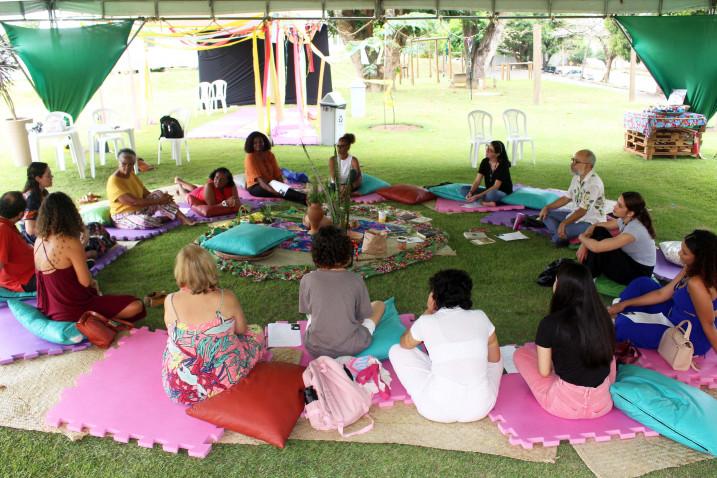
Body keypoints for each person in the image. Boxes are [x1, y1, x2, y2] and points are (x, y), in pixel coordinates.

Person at [389, 269, 503, 423]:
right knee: (495, 359)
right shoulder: (480, 316)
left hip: (436, 409)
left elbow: (405, 343)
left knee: (396, 350)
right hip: (480, 407)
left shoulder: (426, 321)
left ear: (434, 296)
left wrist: (429, 311)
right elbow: (494, 360)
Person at [162, 244, 266, 404]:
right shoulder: (226, 297)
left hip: (179, 389)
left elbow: (170, 330)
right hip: (223, 383)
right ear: (210, 268)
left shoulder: (170, 300)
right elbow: (241, 329)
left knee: (173, 344)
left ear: (180, 271)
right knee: (256, 332)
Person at [514, 261, 616, 419]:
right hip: (602, 404)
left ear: (562, 287)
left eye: (555, 280)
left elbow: (544, 371)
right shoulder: (603, 318)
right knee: (610, 356)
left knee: (521, 354)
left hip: (565, 405)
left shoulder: (550, 323)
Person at [33, 192, 145, 323]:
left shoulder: (39, 240)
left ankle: (99, 318)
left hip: (49, 309)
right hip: (72, 310)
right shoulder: (69, 242)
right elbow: (86, 282)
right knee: (136, 305)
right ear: (69, 214)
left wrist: (82, 244)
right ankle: (97, 319)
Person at [610, 230, 717, 356]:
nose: (679, 254)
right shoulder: (690, 268)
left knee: (622, 326)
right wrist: (625, 304)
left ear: (700, 259)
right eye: (681, 249)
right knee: (642, 283)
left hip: (686, 335)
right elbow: (663, 294)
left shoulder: (697, 284)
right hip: (673, 311)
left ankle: (623, 316)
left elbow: (708, 325)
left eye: (685, 253)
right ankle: (622, 310)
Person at [299, 226, 385, 358]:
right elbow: (362, 317)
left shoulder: (307, 279)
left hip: (315, 347)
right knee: (379, 304)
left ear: (315, 255)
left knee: (313, 317)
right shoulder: (356, 280)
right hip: (351, 347)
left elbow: (308, 311)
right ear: (347, 255)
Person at [577, 192, 656, 285]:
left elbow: (597, 247)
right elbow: (596, 226)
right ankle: (590, 270)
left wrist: (581, 237)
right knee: (599, 230)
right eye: (617, 202)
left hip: (639, 274)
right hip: (629, 260)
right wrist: (584, 245)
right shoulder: (627, 219)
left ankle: (588, 277)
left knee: (601, 248)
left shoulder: (634, 230)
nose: (614, 206)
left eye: (620, 205)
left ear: (630, 213)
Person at [107, 148, 194, 229]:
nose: (127, 167)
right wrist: (159, 201)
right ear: (118, 162)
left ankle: (183, 218)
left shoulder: (131, 174)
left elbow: (145, 193)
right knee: (145, 221)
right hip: (123, 215)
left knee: (159, 193)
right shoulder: (114, 181)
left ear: (134, 163)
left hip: (140, 210)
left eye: (130, 164)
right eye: (124, 164)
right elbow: (133, 202)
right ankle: (119, 223)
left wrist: (164, 198)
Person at [538, 149, 607, 246]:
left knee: (557, 239)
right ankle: (562, 233)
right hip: (574, 215)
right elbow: (566, 198)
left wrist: (564, 223)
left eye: (577, 162)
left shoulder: (594, 184)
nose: (573, 164)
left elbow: (582, 211)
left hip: (590, 221)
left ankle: (559, 234)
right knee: (545, 213)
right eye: (573, 160)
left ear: (588, 166)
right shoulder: (577, 177)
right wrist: (547, 207)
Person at [243, 131, 307, 204]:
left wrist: (282, 186)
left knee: (286, 191)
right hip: (256, 186)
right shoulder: (250, 157)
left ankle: (306, 200)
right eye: (255, 143)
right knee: (283, 193)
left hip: (271, 183)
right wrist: (273, 191)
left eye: (260, 141)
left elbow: (277, 173)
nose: (258, 144)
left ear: (264, 142)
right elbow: (260, 181)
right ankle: (306, 200)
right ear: (251, 144)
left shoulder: (269, 154)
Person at [0, 192, 36, 292]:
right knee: (64, 275)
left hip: (30, 271)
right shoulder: (2, 229)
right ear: (20, 214)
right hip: (24, 279)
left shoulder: (6, 224)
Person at [465, 140, 513, 206]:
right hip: (488, 190)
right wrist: (471, 192)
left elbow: (496, 186)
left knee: (491, 195)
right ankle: (486, 200)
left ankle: (493, 201)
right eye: (487, 148)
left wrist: (477, 196)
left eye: (490, 150)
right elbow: (477, 181)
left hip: (501, 191)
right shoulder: (484, 162)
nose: (487, 151)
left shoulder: (503, 164)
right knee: (464, 189)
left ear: (497, 154)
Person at [19, 162, 52, 244]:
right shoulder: (32, 199)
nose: (51, 177)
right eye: (48, 175)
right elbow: (30, 230)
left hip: (42, 233)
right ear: (38, 178)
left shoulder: (43, 192)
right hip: (34, 242)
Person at [174, 167, 240, 207]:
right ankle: (179, 185)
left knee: (195, 188)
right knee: (187, 195)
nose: (218, 181)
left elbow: (237, 201)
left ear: (227, 181)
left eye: (222, 179)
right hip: (198, 197)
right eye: (216, 178)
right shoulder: (209, 186)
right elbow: (212, 206)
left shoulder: (231, 185)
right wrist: (225, 203)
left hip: (202, 191)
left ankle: (179, 180)